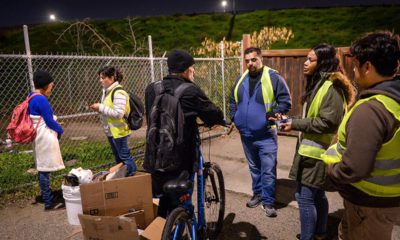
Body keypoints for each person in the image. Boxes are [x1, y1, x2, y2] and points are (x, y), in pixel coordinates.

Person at [322, 32, 400, 240]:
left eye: (356, 66)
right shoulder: (394, 100)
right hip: (388, 200)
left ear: (367, 67)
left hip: (369, 205)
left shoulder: (371, 110)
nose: (353, 71)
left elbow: (354, 167)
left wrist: (332, 171)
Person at [277, 44, 355, 240]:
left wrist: (294, 124)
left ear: (323, 63)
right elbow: (312, 116)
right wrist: (290, 119)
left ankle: (308, 237)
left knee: (304, 199)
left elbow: (327, 122)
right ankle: (319, 233)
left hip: (319, 154)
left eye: (311, 60)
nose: (305, 62)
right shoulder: (320, 84)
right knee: (318, 196)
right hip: (313, 153)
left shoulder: (332, 88)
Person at [144, 49, 225, 218]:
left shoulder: (152, 89)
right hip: (180, 161)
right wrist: (220, 120)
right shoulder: (190, 90)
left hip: (153, 158)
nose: (194, 71)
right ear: (186, 69)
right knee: (181, 201)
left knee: (159, 204)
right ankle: (185, 223)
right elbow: (212, 114)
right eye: (192, 67)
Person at [229, 47, 292, 217]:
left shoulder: (273, 77)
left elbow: (285, 101)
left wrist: (272, 114)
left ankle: (268, 201)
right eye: (247, 60)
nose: (250, 63)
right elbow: (232, 100)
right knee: (254, 167)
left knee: (268, 169)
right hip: (246, 135)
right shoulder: (240, 79)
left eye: (253, 60)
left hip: (266, 134)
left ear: (260, 59)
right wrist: (234, 117)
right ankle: (257, 194)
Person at [90, 66, 136, 176]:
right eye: (100, 78)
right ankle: (123, 178)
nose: (100, 80)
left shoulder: (118, 92)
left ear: (112, 78)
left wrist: (100, 107)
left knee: (125, 157)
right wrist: (99, 108)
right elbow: (108, 110)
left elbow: (119, 113)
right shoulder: (107, 92)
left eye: (103, 77)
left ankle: (133, 178)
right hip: (112, 132)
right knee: (119, 160)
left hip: (119, 131)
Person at [29, 70, 65, 211]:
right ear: (45, 85)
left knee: (43, 168)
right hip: (44, 136)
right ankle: (49, 202)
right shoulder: (41, 99)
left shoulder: (32, 96)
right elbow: (49, 121)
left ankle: (47, 195)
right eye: (51, 85)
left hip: (38, 136)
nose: (52, 88)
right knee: (44, 169)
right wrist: (60, 129)